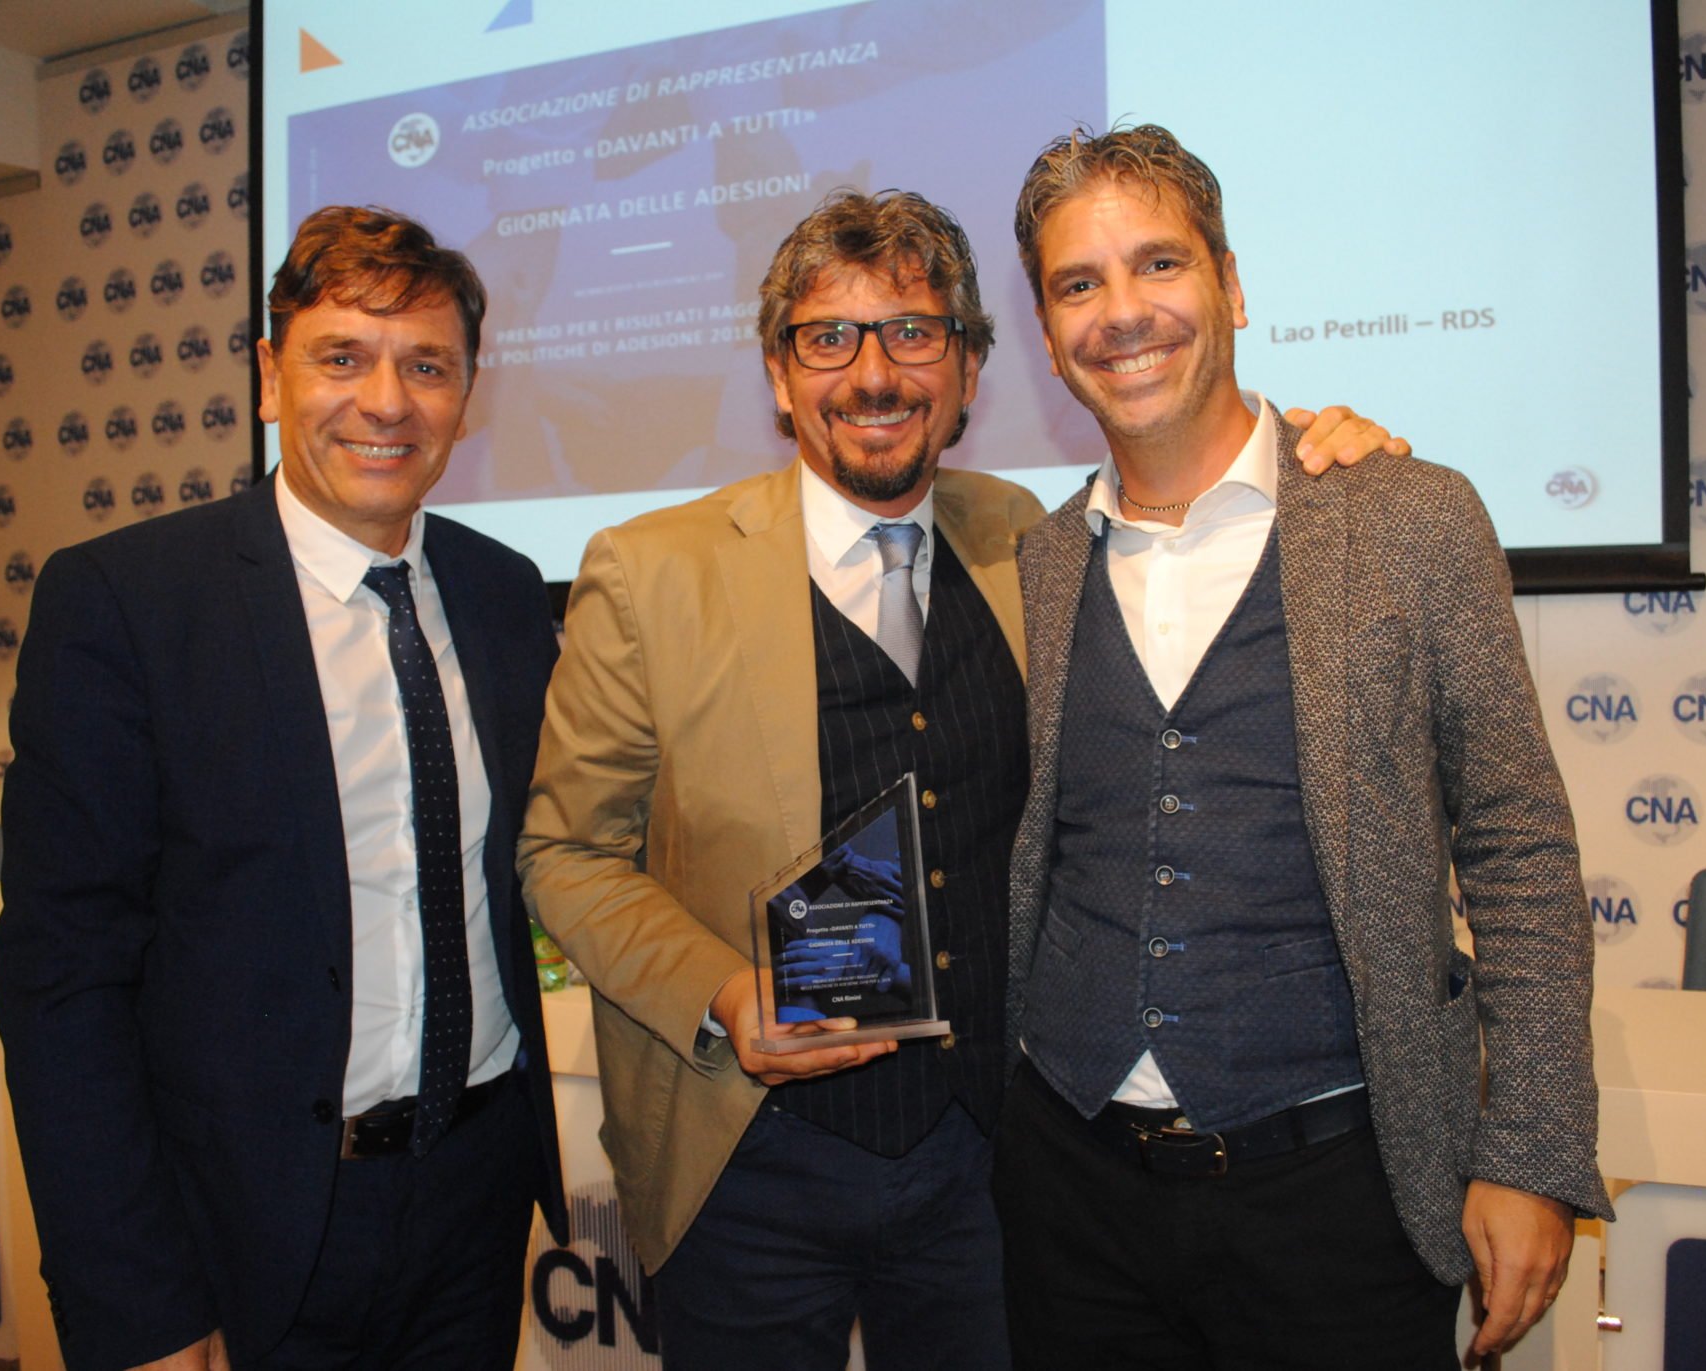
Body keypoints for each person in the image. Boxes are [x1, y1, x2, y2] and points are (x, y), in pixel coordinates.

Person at [518, 187, 1403, 1370]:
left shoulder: (1029, 539)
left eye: (912, 332)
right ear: (778, 376)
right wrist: (725, 995)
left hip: (991, 1164)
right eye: (827, 338)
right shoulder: (649, 572)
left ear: (969, 368)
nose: (872, 374)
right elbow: (565, 854)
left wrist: (1329, 456)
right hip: (747, 1162)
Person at [994, 123, 1612, 1370]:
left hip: (1338, 1199)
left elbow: (1518, 847)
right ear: (1048, 339)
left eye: (1158, 264)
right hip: (1071, 1197)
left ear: (1229, 284)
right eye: (1077, 284)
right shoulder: (1042, 558)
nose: (1122, 312)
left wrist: (1530, 1152)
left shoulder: (1408, 518)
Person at [0, 206, 567, 1371]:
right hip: (243, 1225)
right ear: (269, 377)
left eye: (427, 366)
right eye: (341, 358)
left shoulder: (507, 594)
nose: (386, 402)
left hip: (474, 1200)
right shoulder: (127, 605)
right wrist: (136, 1303)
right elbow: (64, 985)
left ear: (466, 394)